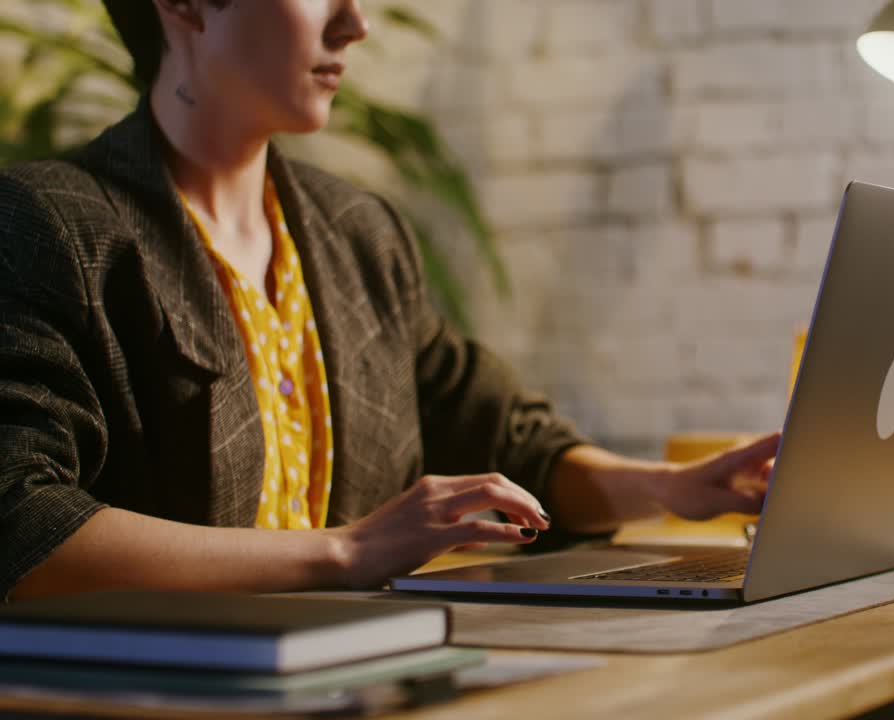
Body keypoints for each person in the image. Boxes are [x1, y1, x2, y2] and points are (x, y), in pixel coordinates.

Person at [0, 0, 779, 602]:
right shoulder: (54, 226)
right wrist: (347, 550)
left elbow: (506, 436)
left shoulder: (358, 234)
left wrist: (673, 490)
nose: (355, 24)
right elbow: (20, 521)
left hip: (363, 680)